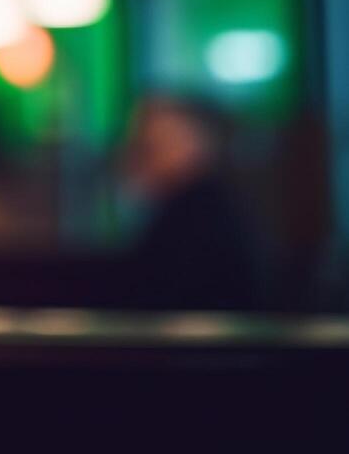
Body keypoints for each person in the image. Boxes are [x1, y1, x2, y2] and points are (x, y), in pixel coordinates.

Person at [115, 93, 275, 312]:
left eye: (152, 147)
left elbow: (154, 299)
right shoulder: (196, 206)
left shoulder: (200, 214)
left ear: (197, 145)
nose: (136, 158)